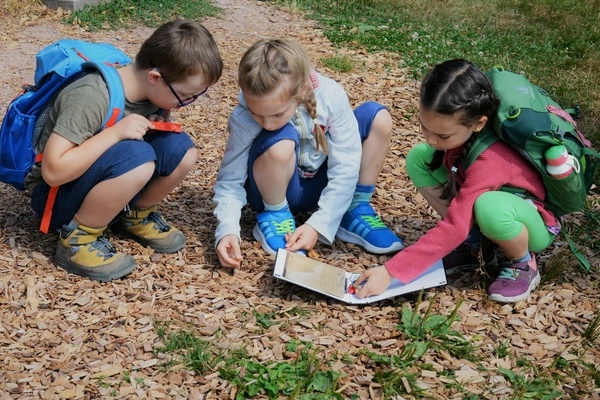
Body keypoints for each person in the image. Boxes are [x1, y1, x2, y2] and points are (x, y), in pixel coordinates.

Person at [25, 19, 223, 282]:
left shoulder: (152, 93)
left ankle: (132, 215)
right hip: (54, 197)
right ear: (155, 77)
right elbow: (53, 171)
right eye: (187, 96)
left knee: (181, 150)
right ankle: (77, 241)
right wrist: (116, 133)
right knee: (137, 159)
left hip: (95, 180)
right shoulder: (92, 96)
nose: (189, 103)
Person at [353, 59, 560, 303]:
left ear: (479, 124)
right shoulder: (460, 137)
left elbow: (455, 226)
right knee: (419, 158)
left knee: (489, 207)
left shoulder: (490, 162)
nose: (431, 139)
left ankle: (522, 262)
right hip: (497, 208)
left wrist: (390, 272)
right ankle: (476, 245)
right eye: (424, 127)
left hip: (532, 222)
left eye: (442, 135)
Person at [213, 38, 404, 268]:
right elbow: (230, 180)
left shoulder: (331, 97)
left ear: (301, 89)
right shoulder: (246, 114)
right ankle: (275, 216)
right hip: (271, 189)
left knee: (377, 117)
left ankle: (352, 208)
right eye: (257, 114)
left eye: (277, 114)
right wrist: (227, 230)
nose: (267, 123)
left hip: (320, 187)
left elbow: (346, 165)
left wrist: (320, 224)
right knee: (278, 140)